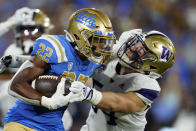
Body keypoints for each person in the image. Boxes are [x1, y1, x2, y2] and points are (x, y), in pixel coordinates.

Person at [3, 8, 116, 131]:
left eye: (104, 41)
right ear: (79, 36)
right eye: (97, 40)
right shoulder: (56, 49)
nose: (102, 46)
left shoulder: (94, 60)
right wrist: (47, 101)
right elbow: (15, 85)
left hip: (54, 125)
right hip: (23, 121)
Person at [68, 29, 176, 131]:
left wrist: (89, 94)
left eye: (141, 51)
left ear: (151, 66)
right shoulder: (115, 62)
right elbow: (91, 79)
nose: (133, 48)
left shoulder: (147, 85)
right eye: (136, 42)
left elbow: (117, 103)